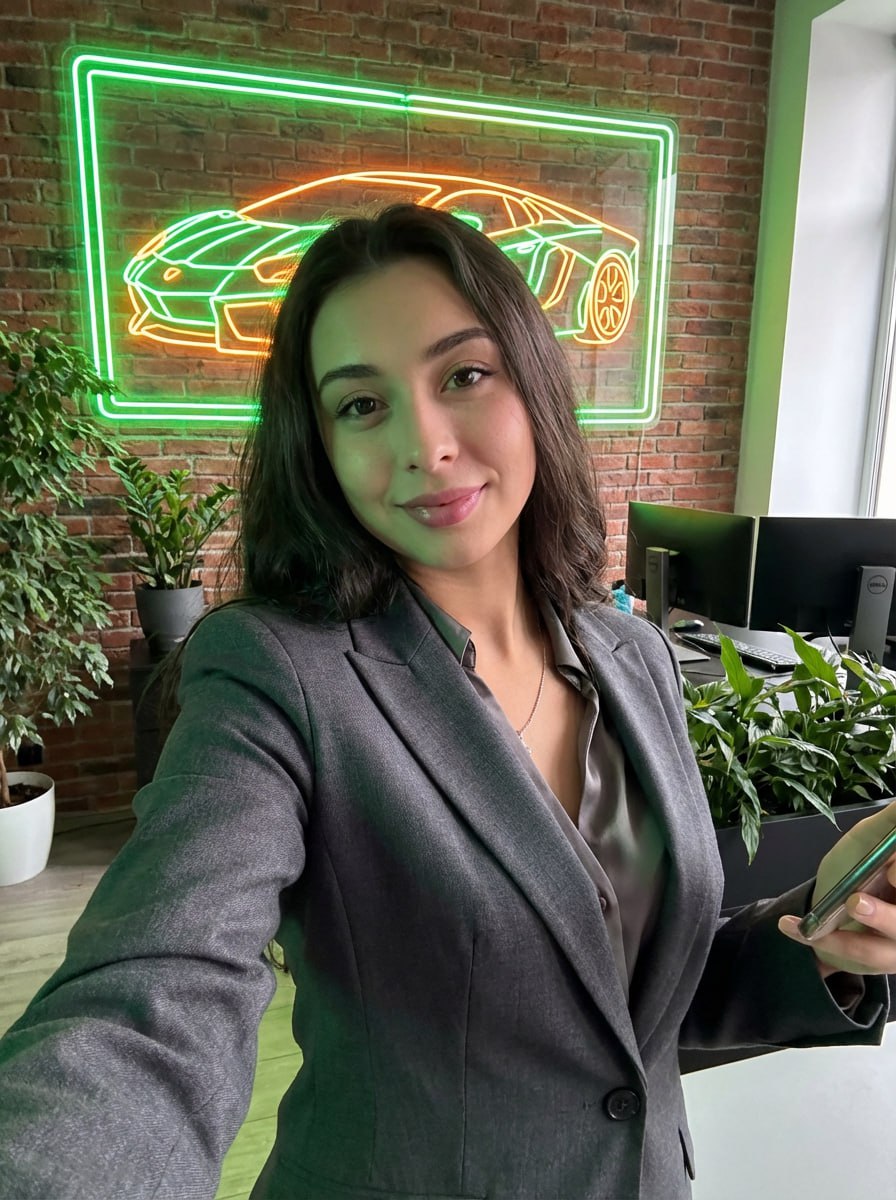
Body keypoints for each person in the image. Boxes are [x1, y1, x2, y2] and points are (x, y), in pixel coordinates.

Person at [0, 204, 893, 1200]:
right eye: (360, 404)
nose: (424, 444)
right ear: (319, 447)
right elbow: (154, 997)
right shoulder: (276, 675)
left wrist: (820, 935)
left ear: (533, 384)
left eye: (463, 376)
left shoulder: (632, 657)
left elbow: (628, 1013)